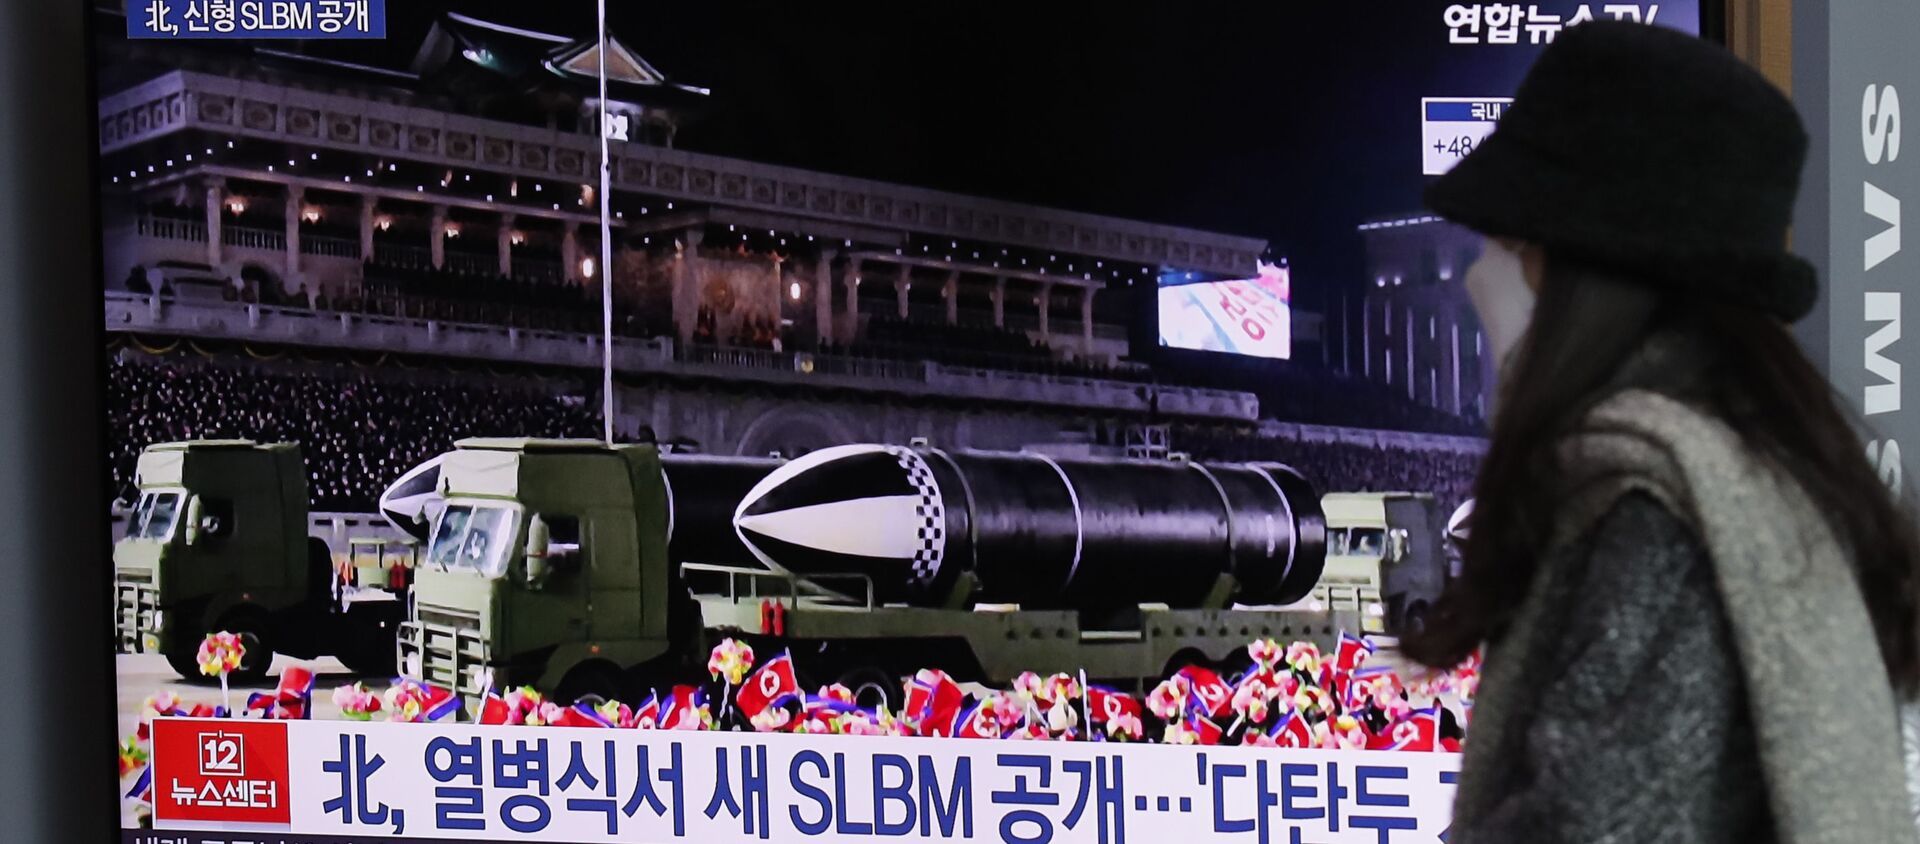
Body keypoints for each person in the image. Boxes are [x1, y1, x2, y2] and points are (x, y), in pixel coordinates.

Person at [1398, 22, 1920, 843]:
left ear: (1592, 277)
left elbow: (1592, 823)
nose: (1482, 279)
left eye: (1517, 244)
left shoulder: (1659, 505)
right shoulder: (1754, 471)